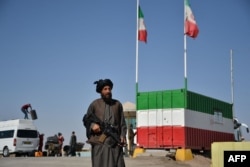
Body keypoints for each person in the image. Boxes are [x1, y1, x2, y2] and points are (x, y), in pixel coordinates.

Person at [83, 79, 127, 167]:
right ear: (101, 91)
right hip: (100, 144)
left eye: (109, 89)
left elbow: (122, 123)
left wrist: (122, 135)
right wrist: (92, 125)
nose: (108, 91)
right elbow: (86, 119)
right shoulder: (95, 104)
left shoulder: (117, 104)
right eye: (105, 89)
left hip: (115, 144)